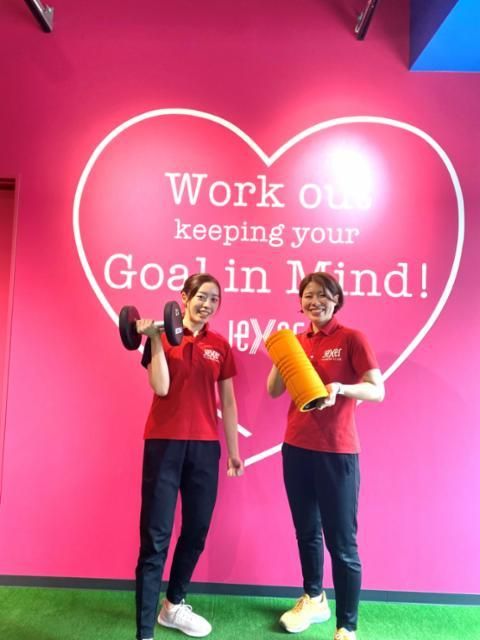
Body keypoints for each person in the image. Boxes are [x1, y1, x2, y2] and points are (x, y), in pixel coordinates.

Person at [267, 272, 385, 640]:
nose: (315, 301)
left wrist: (341, 388)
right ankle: (314, 598)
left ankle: (346, 625)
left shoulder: (351, 338)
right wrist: (283, 353)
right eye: (308, 295)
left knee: (342, 542)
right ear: (300, 302)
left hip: (337, 451)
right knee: (306, 532)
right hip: (296, 448)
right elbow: (273, 390)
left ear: (336, 300)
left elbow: (377, 390)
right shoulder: (298, 340)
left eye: (323, 295)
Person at [134, 273, 244, 640]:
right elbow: (161, 386)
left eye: (214, 299)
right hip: (164, 444)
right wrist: (153, 338)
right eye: (202, 296)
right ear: (184, 297)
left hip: (205, 447)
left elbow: (228, 401)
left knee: (196, 530)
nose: (207, 304)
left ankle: (173, 605)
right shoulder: (160, 336)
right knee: (156, 536)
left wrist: (234, 452)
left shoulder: (220, 345)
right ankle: (144, 632)